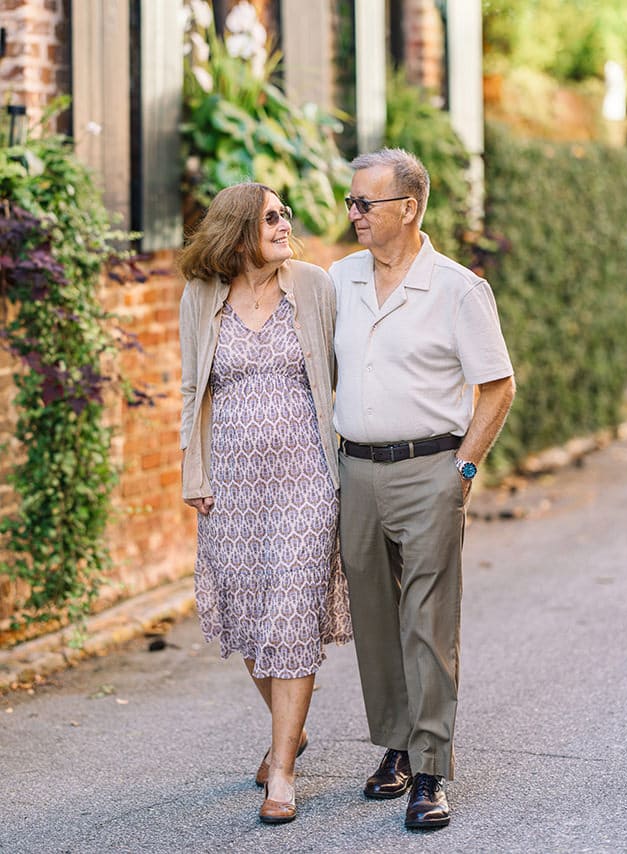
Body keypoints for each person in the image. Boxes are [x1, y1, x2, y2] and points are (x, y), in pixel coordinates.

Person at [330, 148, 516, 830]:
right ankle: (398, 747)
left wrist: (462, 471)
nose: (354, 213)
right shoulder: (340, 279)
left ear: (407, 209)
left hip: (429, 469)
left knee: (428, 622)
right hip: (356, 471)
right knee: (376, 620)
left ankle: (431, 768)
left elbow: (498, 387)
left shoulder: (457, 289)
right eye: (352, 201)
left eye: (366, 203)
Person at [178, 182, 352, 825]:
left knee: (291, 615)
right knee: (251, 619)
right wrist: (194, 472)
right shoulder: (201, 297)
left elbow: (343, 371)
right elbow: (192, 388)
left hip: (306, 479)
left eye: (285, 214)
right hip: (231, 485)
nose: (284, 224)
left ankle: (282, 771)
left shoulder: (313, 286)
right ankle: (291, 730)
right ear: (236, 232)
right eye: (270, 217)